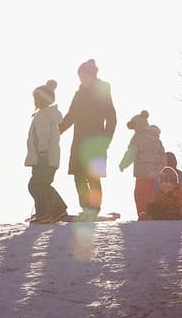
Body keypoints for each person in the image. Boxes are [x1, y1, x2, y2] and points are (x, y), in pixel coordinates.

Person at [60, 58, 116, 219]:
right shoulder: (78, 95)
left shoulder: (102, 93)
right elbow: (70, 116)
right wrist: (58, 130)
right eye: (80, 77)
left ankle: (94, 207)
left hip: (96, 142)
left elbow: (112, 118)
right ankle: (85, 207)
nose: (82, 80)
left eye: (84, 76)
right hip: (78, 141)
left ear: (92, 76)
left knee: (93, 176)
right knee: (78, 175)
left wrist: (106, 140)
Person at [26, 79, 68, 222]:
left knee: (36, 185)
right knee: (42, 184)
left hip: (44, 158)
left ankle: (44, 213)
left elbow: (43, 136)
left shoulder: (43, 115)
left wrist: (42, 155)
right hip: (48, 158)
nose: (34, 101)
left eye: (35, 98)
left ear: (41, 99)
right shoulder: (46, 114)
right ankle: (58, 210)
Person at [119, 111, 167, 219]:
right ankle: (154, 214)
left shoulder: (138, 137)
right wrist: (163, 169)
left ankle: (142, 215)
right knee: (153, 195)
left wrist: (123, 164)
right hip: (157, 174)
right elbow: (163, 155)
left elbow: (131, 153)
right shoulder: (157, 138)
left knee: (140, 195)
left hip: (143, 173)